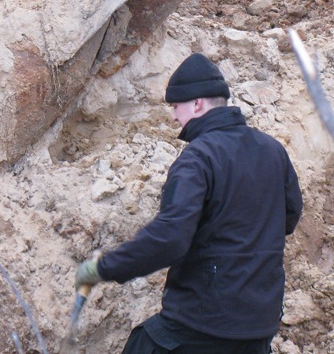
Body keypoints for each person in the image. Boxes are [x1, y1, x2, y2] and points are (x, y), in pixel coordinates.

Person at [75, 53, 303, 353]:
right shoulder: (273, 150)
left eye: (175, 106)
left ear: (197, 104)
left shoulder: (198, 158)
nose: (173, 117)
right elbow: (290, 216)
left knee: (143, 345)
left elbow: (170, 238)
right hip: (260, 322)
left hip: (205, 320)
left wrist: (102, 268)